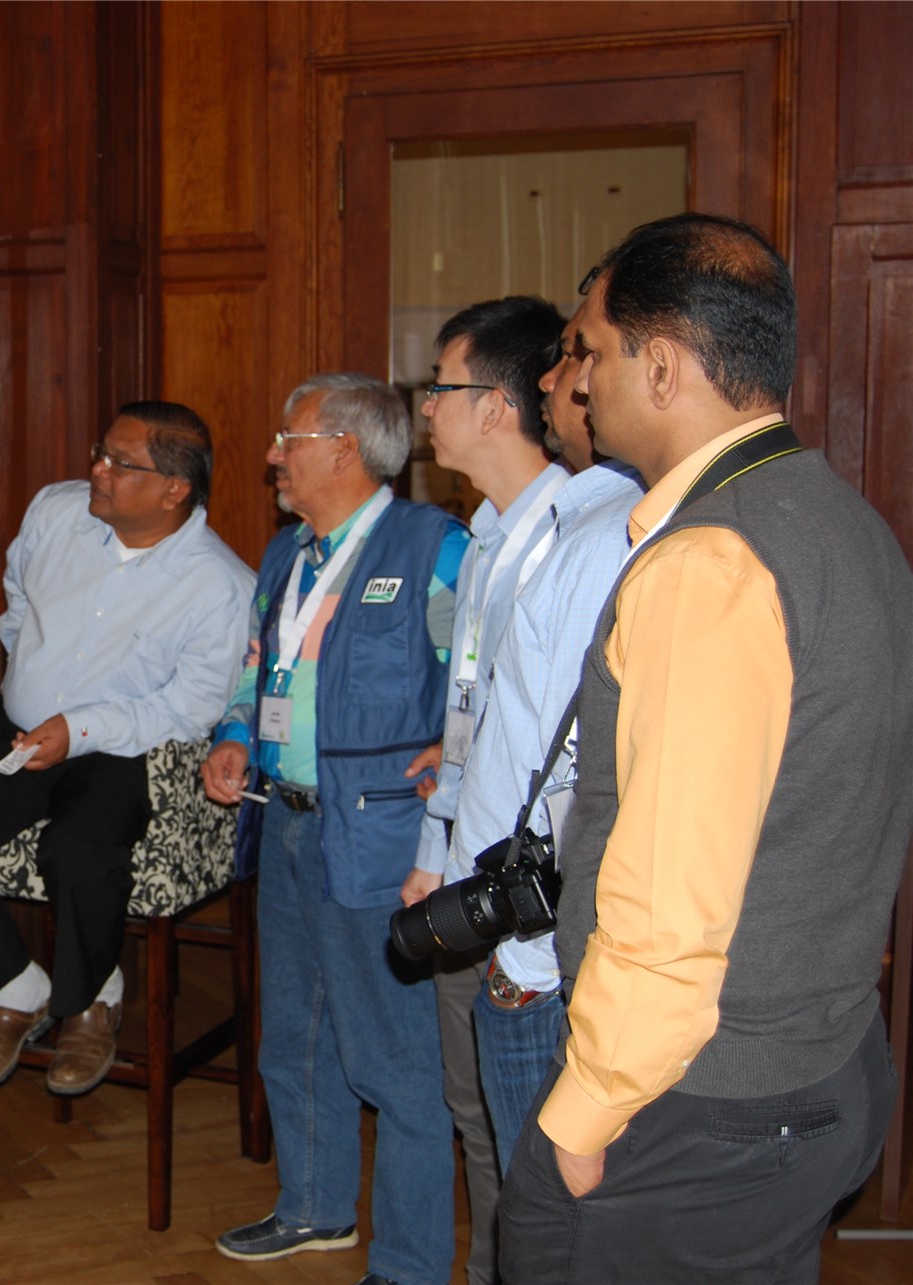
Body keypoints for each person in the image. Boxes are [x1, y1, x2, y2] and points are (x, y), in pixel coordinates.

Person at [498, 213, 913, 1282]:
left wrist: (584, 1112)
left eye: (591, 349)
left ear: (666, 365)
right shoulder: (838, 518)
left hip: (699, 1099)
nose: (579, 383)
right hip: (820, 1056)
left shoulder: (710, 559)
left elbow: (669, 887)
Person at [0, 402, 252, 1098]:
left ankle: (89, 1001)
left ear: (176, 489)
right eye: (99, 451)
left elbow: (188, 708)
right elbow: (18, 596)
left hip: (125, 751)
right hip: (19, 731)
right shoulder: (56, 512)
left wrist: (78, 728)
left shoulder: (220, 585)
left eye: (120, 462)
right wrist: (26, 680)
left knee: (78, 849)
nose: (97, 470)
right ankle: (15, 986)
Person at [202, 372, 470, 1285]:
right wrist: (236, 735)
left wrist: (455, 751)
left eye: (290, 438)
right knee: (296, 1034)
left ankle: (408, 1262)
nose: (274, 455)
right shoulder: (287, 555)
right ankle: (313, 1208)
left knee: (396, 1061)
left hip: (382, 839)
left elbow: (484, 677)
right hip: (284, 824)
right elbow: (254, 671)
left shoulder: (435, 546)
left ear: (345, 449)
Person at [446, 299, 641, 1177]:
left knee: (536, 1187)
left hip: (534, 932)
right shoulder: (525, 532)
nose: (560, 382)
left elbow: (573, 761)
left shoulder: (600, 537)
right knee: (494, 1145)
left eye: (577, 357)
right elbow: (508, 718)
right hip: (504, 907)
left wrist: (523, 951)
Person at [397, 294, 567, 1285]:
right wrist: (432, 863)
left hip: (519, 906)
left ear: (499, 404)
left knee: (527, 1138)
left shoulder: (569, 542)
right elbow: (472, 729)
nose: (427, 407)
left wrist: (519, 933)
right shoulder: (489, 533)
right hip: (464, 882)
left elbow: (560, 760)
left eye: (441, 386)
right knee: (475, 1115)